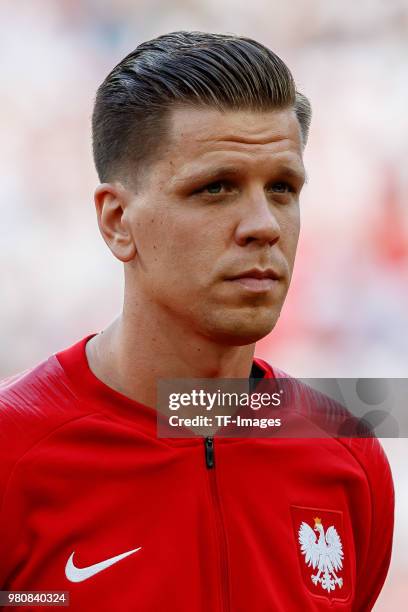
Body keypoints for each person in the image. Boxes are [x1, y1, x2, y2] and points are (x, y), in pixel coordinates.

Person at [0, 31, 393, 611]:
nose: (263, 224)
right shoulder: (15, 456)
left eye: (282, 188)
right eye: (216, 188)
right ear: (117, 221)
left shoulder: (347, 454)